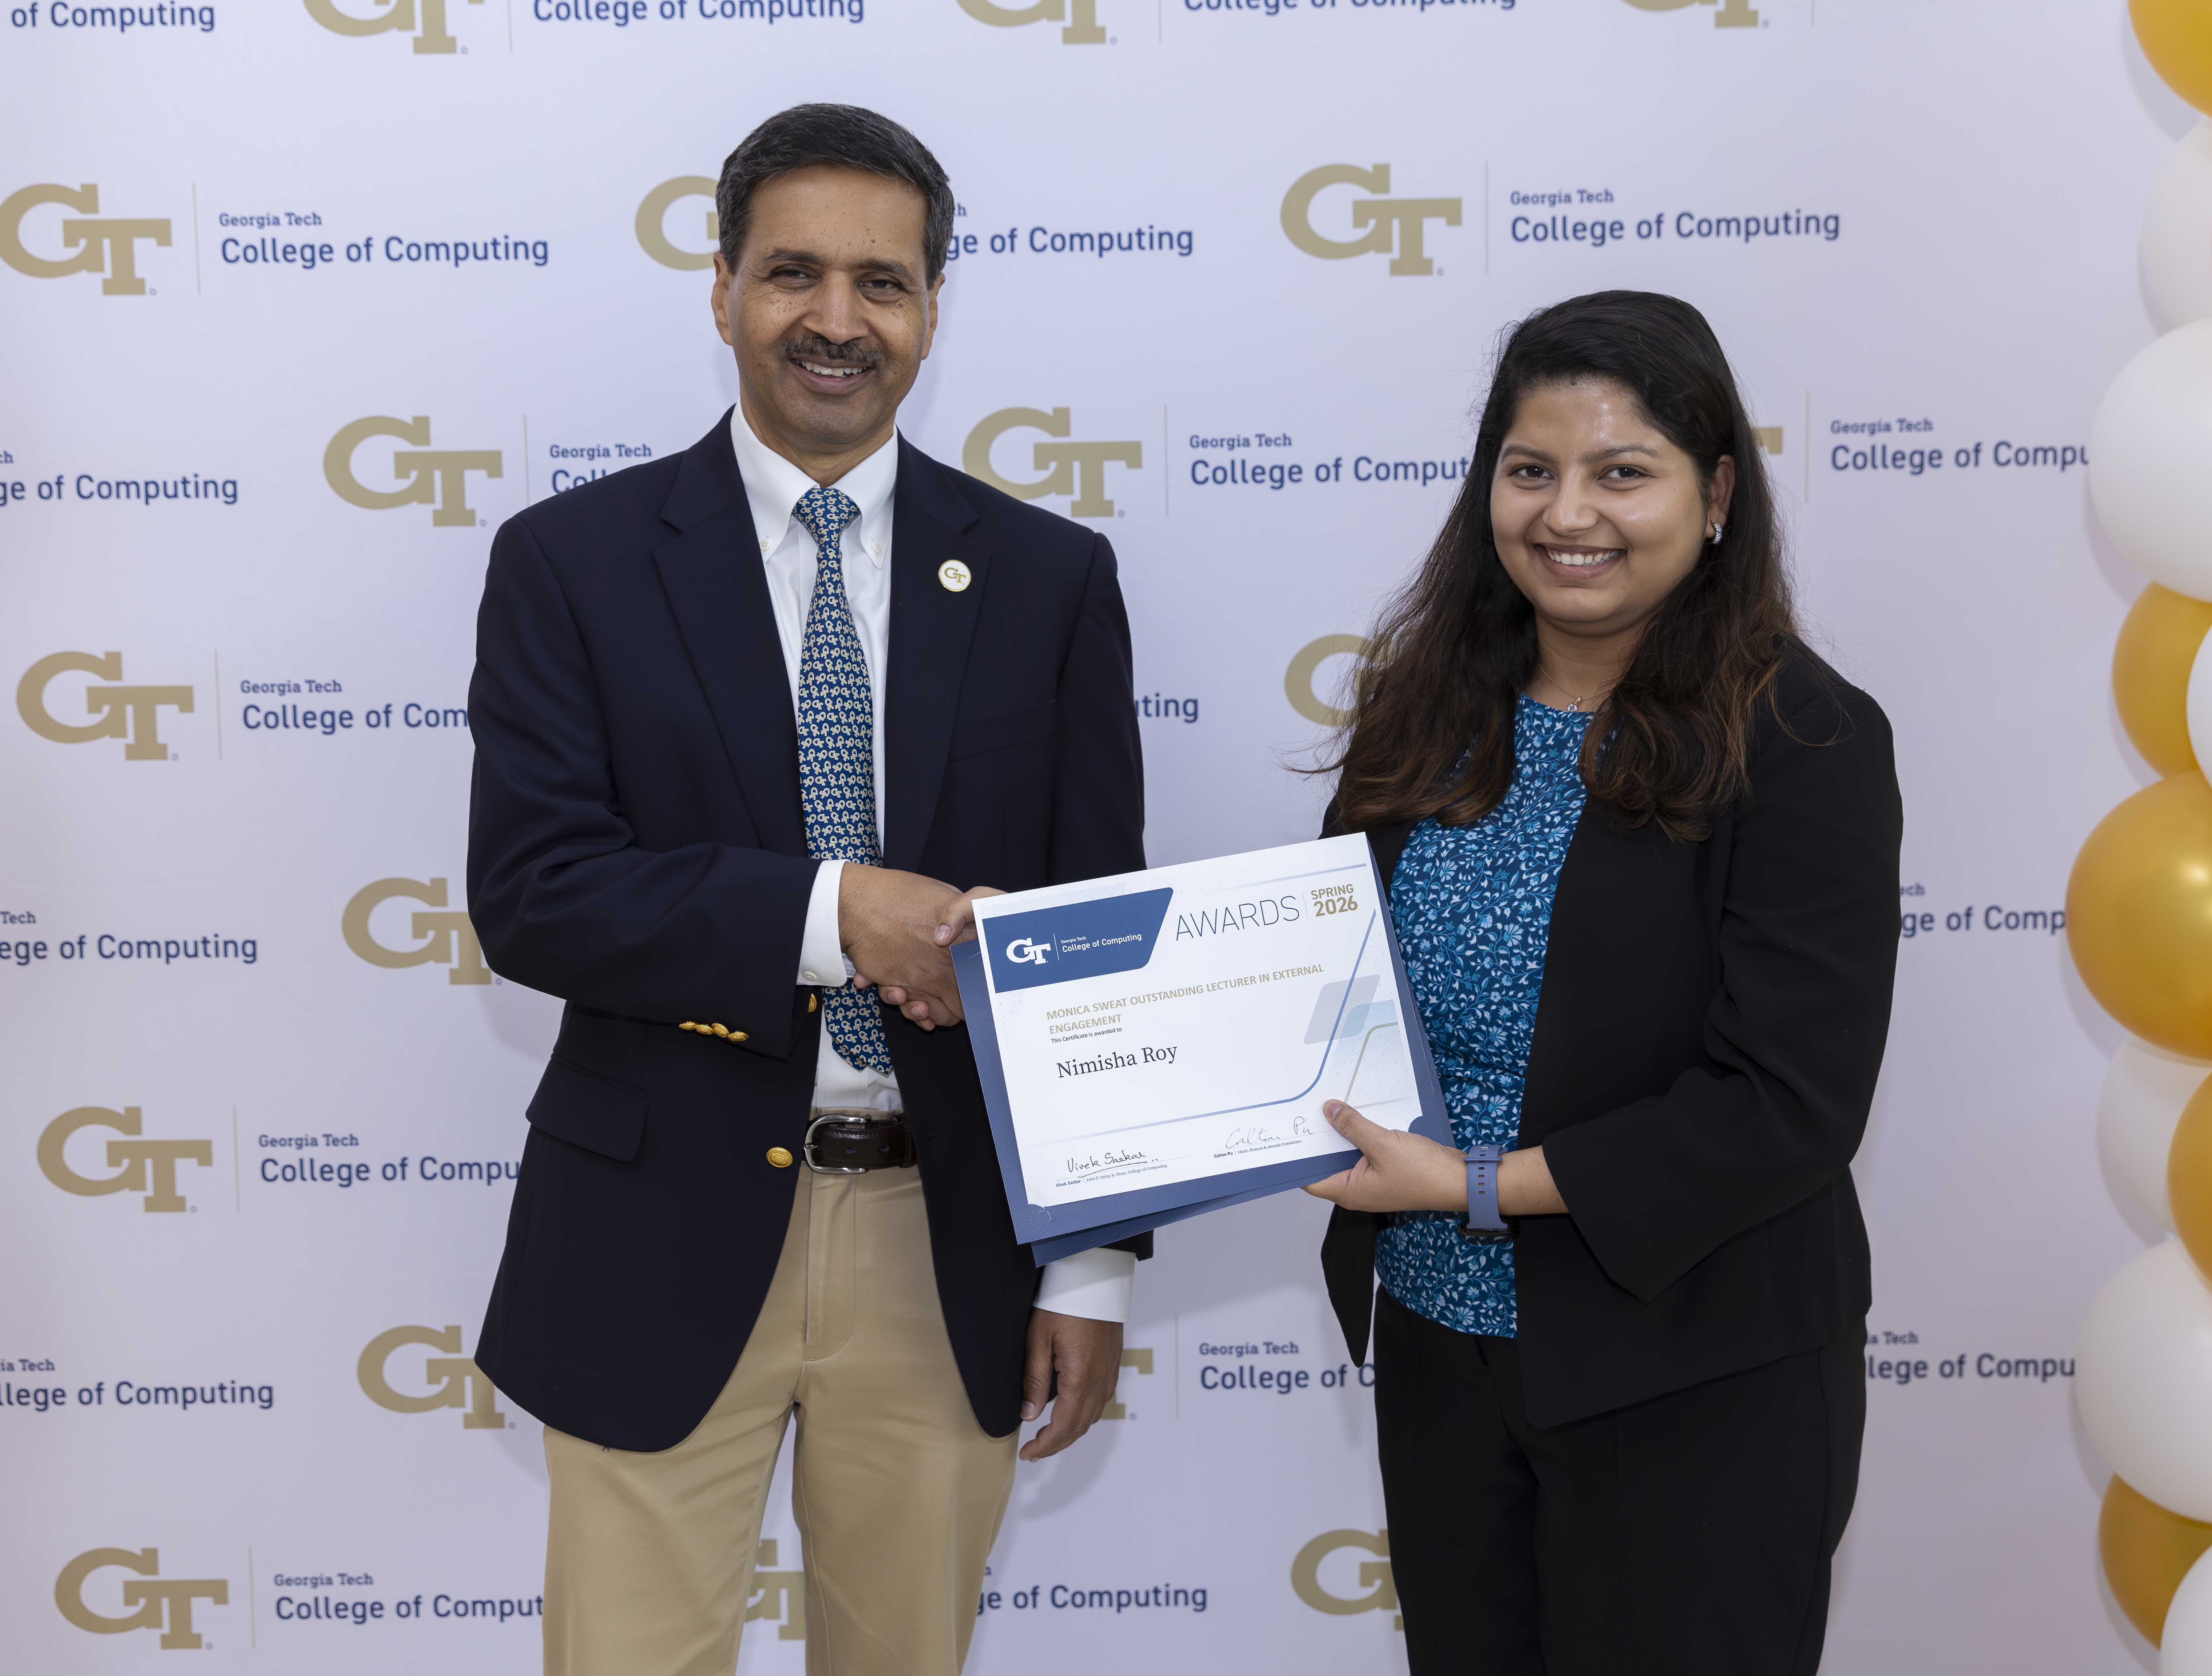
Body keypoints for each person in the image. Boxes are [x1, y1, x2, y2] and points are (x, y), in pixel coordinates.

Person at [463, 103, 1148, 1676]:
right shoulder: (570, 561)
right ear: (720, 290)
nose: (836, 322)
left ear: (930, 306)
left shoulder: (1050, 581)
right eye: (792, 275)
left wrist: (1091, 1262)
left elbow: (1090, 937)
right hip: (653, 1229)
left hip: (949, 1234)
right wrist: (838, 916)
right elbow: (536, 894)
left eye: (882, 283)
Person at [1301, 290, 1902, 1674]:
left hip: (1696, 1365)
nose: (1570, 512)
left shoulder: (1804, 739)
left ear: (1718, 497)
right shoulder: (1426, 713)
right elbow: (1326, 974)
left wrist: (1470, 1186)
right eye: (1532, 470)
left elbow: (1787, 1105)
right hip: (1447, 1351)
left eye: (1623, 472)